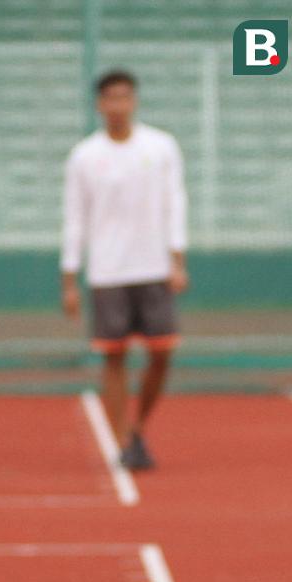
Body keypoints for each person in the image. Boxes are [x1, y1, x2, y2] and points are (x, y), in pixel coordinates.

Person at [61, 69, 188, 470]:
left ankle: (139, 426)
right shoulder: (84, 156)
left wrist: (177, 259)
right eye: (110, 98)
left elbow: (175, 202)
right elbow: (75, 218)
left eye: (124, 97)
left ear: (134, 101)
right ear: (100, 104)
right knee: (113, 359)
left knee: (162, 352)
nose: (118, 105)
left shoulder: (161, 146)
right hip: (107, 271)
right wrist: (69, 279)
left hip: (153, 267)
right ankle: (123, 442)